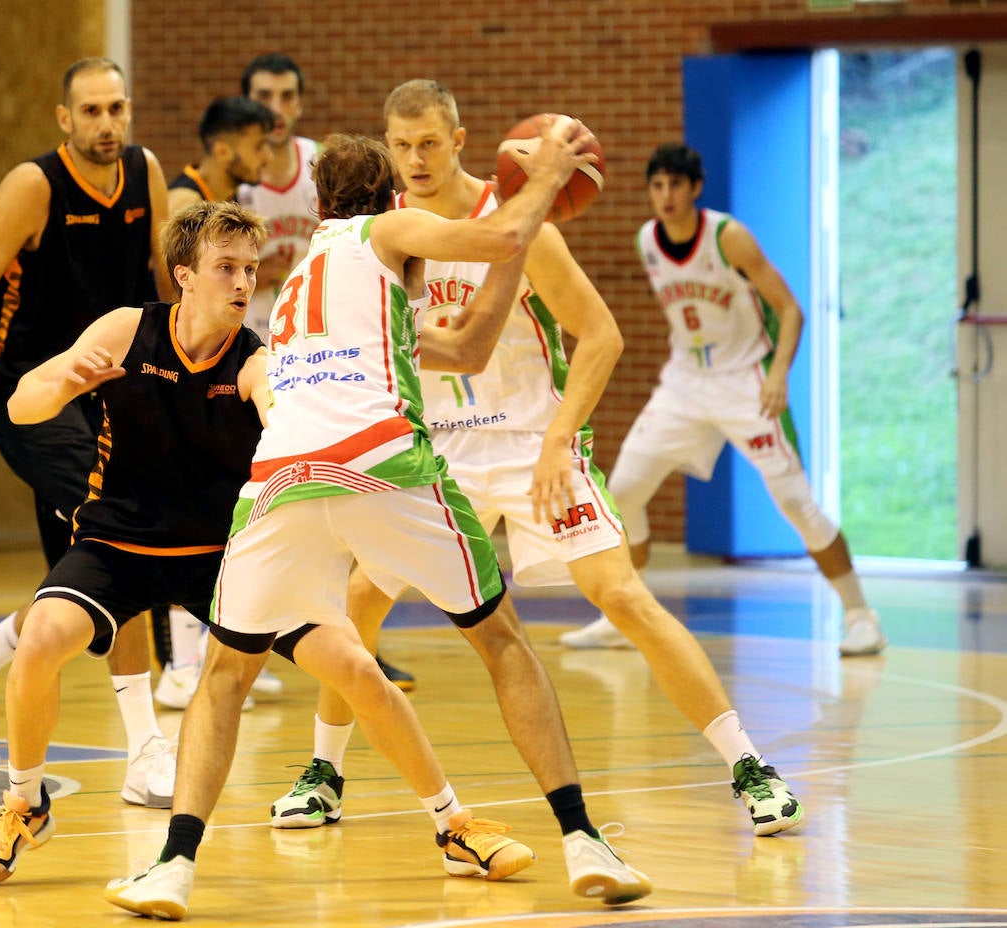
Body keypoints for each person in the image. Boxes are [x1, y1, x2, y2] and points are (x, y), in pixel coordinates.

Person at [104, 126, 652, 922]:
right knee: (501, 640)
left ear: (318, 201)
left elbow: (463, 350)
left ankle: (172, 866)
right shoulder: (384, 231)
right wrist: (544, 188)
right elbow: (496, 236)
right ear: (392, 199)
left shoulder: (291, 289)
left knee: (224, 676)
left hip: (282, 479)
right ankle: (582, 838)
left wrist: (517, 236)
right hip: (381, 462)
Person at [269, 82, 804, 842]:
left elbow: (603, 336)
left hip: (530, 445)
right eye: (401, 145)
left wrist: (559, 438)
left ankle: (748, 765)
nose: (414, 159)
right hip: (437, 450)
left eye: (429, 142)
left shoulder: (518, 223)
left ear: (460, 140)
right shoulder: (384, 235)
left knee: (621, 595)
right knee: (357, 600)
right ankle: (324, 771)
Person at [0, 200, 275, 887]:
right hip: (119, 541)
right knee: (40, 638)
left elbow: (276, 413)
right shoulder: (129, 330)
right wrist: (63, 382)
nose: (244, 282)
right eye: (228, 268)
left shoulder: (256, 358)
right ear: (184, 275)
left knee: (343, 655)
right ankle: (22, 805)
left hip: (218, 555)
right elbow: (21, 405)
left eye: (251, 268)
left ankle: (444, 817)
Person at [0, 57, 179, 808]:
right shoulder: (33, 188)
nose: (106, 124)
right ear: (64, 119)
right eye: (90, 111)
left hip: (106, 388)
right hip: (27, 391)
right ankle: (147, 749)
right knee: (127, 530)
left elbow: (163, 281)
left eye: (116, 108)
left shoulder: (145, 172)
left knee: (83, 584)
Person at [561, 142, 886, 658]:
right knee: (621, 495)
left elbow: (789, 309)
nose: (665, 196)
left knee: (796, 503)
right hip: (685, 384)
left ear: (695, 188)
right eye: (657, 185)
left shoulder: (728, 237)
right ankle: (622, 612)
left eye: (674, 185)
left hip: (745, 382)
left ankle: (861, 616)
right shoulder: (647, 240)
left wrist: (778, 373)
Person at [237, 50, 417, 693]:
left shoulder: (328, 166)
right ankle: (245, 639)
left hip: (333, 357)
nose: (275, 109)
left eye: (286, 96)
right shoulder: (243, 185)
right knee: (271, 509)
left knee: (350, 506)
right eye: (263, 96)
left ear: (300, 104)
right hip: (261, 352)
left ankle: (353, 642)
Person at [152, 95, 282, 710]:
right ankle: (182, 662)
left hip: (219, 362)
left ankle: (222, 646)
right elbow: (177, 297)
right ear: (226, 146)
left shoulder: (229, 206)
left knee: (223, 505)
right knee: (185, 506)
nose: (267, 154)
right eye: (258, 143)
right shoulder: (186, 202)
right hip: (176, 368)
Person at [166, 96, 275, 215]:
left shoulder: (233, 196)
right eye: (258, 147)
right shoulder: (185, 206)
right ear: (222, 152)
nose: (269, 156)